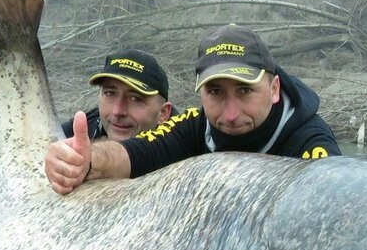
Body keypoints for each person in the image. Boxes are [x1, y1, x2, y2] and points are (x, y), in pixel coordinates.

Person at [45, 25, 340, 195]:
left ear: (274, 89)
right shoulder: (196, 125)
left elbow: (336, 197)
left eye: (245, 91)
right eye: (215, 92)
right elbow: (137, 153)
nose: (230, 114)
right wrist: (87, 161)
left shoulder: (310, 139)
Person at [60, 49, 172, 143]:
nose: (117, 111)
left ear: (163, 113)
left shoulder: (178, 149)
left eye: (135, 99)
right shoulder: (82, 130)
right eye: (110, 93)